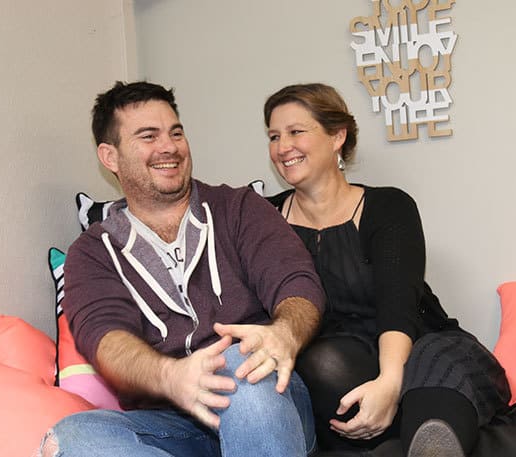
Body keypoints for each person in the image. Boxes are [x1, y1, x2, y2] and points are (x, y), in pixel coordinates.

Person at [39, 81, 326, 457]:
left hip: (266, 404)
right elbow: (106, 339)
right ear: (110, 157)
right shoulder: (93, 252)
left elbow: (296, 282)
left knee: (238, 360)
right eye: (148, 136)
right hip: (173, 425)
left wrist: (285, 332)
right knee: (71, 439)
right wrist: (170, 377)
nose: (169, 147)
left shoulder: (239, 208)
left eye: (176, 132)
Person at [262, 83, 510, 457]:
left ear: (337, 136)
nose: (283, 147)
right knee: (322, 364)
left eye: (296, 131)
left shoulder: (388, 206)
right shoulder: (263, 217)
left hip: (416, 342)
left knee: (434, 378)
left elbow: (399, 305)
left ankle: (427, 436)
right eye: (274, 136)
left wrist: (390, 380)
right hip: (342, 366)